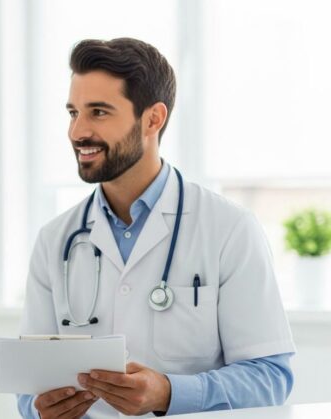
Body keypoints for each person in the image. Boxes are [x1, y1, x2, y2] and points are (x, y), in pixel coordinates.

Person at [17, 38, 295, 419]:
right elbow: (27, 389)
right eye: (72, 113)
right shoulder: (55, 241)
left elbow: (271, 379)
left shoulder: (229, 229)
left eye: (98, 112)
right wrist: (38, 409)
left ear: (153, 119)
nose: (77, 132)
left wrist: (169, 393)